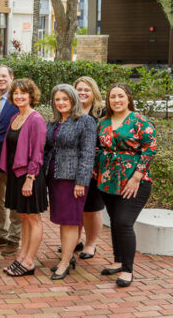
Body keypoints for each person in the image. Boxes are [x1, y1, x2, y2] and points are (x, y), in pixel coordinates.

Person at [95, 83, 157, 287]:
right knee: (115, 221)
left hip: (134, 181)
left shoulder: (140, 121)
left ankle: (128, 270)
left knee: (123, 222)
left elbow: (150, 149)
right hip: (108, 181)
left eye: (120, 96)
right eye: (112, 97)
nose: (116, 100)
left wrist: (137, 176)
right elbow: (97, 149)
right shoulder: (103, 123)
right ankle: (118, 261)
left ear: (128, 98)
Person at [43, 84, 97, 280]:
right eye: (57, 99)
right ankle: (67, 257)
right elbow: (47, 150)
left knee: (70, 221)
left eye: (65, 99)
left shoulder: (85, 121)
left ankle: (65, 262)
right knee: (62, 220)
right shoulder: (53, 122)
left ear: (73, 100)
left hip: (72, 180)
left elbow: (88, 154)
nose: (61, 103)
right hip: (54, 177)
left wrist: (81, 182)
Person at [0, 78, 47, 277]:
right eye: (16, 93)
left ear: (31, 96)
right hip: (15, 174)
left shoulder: (36, 119)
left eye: (23, 93)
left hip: (30, 176)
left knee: (33, 218)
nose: (19, 96)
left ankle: (29, 261)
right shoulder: (15, 118)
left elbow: (38, 153)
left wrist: (30, 178)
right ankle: (22, 255)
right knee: (24, 216)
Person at [0, 65, 22, 256]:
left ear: (11, 77)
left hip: (12, 159)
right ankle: (0, 233)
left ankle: (14, 238)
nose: (0, 79)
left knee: (14, 199)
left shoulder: (17, 99)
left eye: (4, 76)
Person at [72, 76, 106, 259]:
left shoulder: (102, 112)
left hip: (95, 168)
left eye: (87, 89)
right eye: (79, 89)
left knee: (91, 207)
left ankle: (91, 244)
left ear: (94, 92)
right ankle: (74, 240)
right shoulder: (71, 110)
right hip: (73, 167)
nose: (83, 93)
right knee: (75, 205)